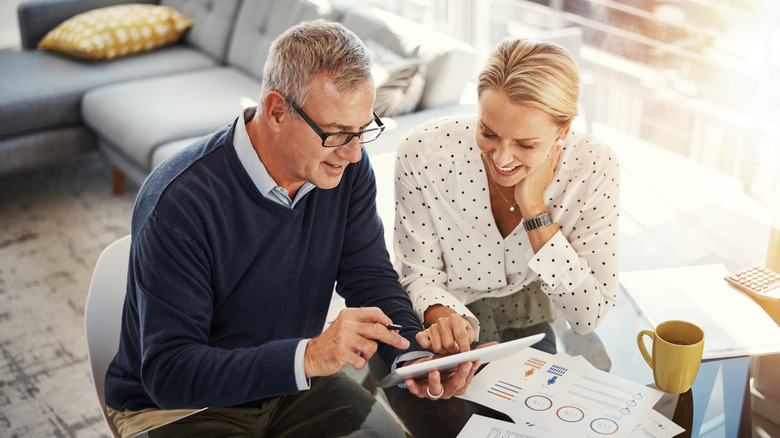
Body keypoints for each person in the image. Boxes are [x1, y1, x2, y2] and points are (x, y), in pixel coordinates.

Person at [103, 20, 479, 438]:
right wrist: (309, 357)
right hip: (182, 407)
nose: (354, 153)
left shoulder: (344, 170)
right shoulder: (180, 201)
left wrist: (413, 358)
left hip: (292, 385)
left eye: (363, 130)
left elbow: (369, 278)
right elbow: (169, 372)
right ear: (277, 110)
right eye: (337, 134)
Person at [384, 37, 621, 436]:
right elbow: (417, 272)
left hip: (526, 316)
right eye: (488, 132)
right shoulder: (423, 152)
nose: (502, 158)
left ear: (563, 130)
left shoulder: (593, 168)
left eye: (526, 144)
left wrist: (534, 208)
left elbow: (586, 316)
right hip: (441, 317)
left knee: (537, 429)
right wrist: (444, 318)